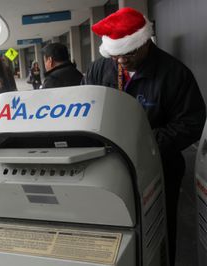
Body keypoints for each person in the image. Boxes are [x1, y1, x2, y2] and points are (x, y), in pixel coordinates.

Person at [81, 7, 206, 264]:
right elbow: (84, 110)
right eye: (115, 55)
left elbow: (191, 123)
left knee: (158, 229)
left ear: (145, 41)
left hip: (160, 169)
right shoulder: (99, 69)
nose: (121, 61)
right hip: (108, 169)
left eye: (129, 53)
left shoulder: (174, 74)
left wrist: (144, 145)